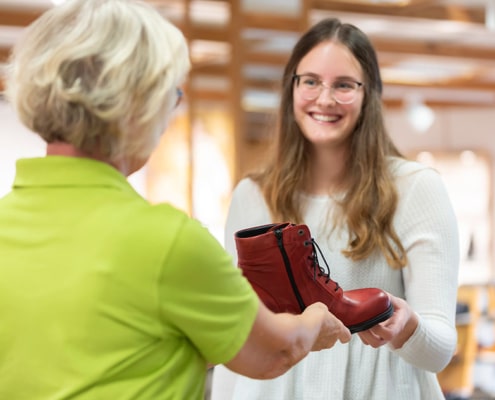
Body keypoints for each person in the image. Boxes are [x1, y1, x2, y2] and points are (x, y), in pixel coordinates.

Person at [0, 2, 352, 399]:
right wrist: (316, 318)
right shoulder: (166, 242)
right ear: (136, 106)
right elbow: (274, 351)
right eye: (171, 94)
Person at [211, 17, 460, 400]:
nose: (324, 98)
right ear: (291, 88)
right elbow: (238, 334)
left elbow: (440, 349)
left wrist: (409, 327)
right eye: (310, 81)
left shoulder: (415, 188)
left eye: (343, 85)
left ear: (368, 94)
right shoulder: (253, 194)